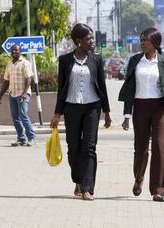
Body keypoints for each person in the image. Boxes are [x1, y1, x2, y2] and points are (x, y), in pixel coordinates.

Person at [118, 27, 164, 202]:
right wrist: (126, 115)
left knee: (160, 147)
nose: (142, 43)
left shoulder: (163, 63)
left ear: (155, 43)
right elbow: (130, 89)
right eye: (142, 40)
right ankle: (138, 178)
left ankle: (158, 190)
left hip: (160, 107)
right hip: (140, 106)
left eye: (146, 40)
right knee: (141, 148)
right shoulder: (135, 61)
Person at [50, 23, 111, 201]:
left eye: (92, 38)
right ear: (78, 41)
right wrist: (57, 114)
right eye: (88, 39)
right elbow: (61, 88)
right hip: (71, 108)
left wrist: (106, 112)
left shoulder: (97, 60)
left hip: (93, 107)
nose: (92, 41)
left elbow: (102, 86)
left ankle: (87, 188)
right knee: (73, 148)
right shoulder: (65, 60)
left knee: (89, 148)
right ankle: (77, 179)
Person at [0, 44, 36, 147]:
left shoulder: (25, 63)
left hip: (23, 94)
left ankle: (31, 137)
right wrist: (0, 95)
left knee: (23, 114)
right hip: (12, 94)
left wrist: (24, 93)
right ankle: (21, 138)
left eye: (16, 50)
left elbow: (29, 78)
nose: (14, 52)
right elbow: (6, 81)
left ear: (20, 52)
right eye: (12, 50)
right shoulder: (9, 64)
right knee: (15, 118)